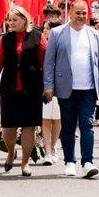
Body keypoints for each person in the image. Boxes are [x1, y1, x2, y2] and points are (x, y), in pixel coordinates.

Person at [43, 0, 99, 179]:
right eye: (78, 13)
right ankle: (69, 161)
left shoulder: (94, 34)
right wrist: (48, 86)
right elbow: (49, 62)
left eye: (84, 13)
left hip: (88, 88)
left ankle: (87, 162)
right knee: (69, 126)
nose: (81, 17)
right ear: (70, 13)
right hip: (66, 88)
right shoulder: (57, 33)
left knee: (87, 124)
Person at [0, 6, 46, 176]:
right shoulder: (5, 39)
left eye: (14, 20)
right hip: (10, 87)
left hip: (32, 87)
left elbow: (45, 61)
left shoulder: (37, 36)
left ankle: (25, 162)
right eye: (9, 20)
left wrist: (48, 85)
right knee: (8, 127)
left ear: (24, 20)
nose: (11, 23)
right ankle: (11, 151)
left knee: (29, 126)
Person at [40, 21, 62, 166]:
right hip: (43, 86)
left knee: (57, 120)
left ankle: (54, 146)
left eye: (49, 29)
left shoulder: (62, 44)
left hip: (60, 86)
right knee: (46, 119)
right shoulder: (41, 45)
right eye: (45, 28)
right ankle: (47, 151)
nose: (46, 31)